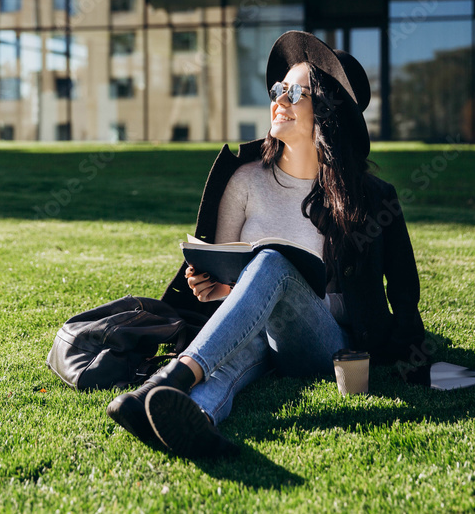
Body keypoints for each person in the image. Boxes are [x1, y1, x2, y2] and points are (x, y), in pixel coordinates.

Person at [106, 31, 426, 458]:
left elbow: (404, 290)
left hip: (322, 344)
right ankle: (191, 419)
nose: (280, 99)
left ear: (327, 112)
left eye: (296, 92)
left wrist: (414, 360)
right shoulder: (245, 179)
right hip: (254, 336)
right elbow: (221, 274)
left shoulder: (372, 196)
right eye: (278, 89)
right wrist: (217, 289)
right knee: (232, 361)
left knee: (273, 261)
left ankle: (167, 380)